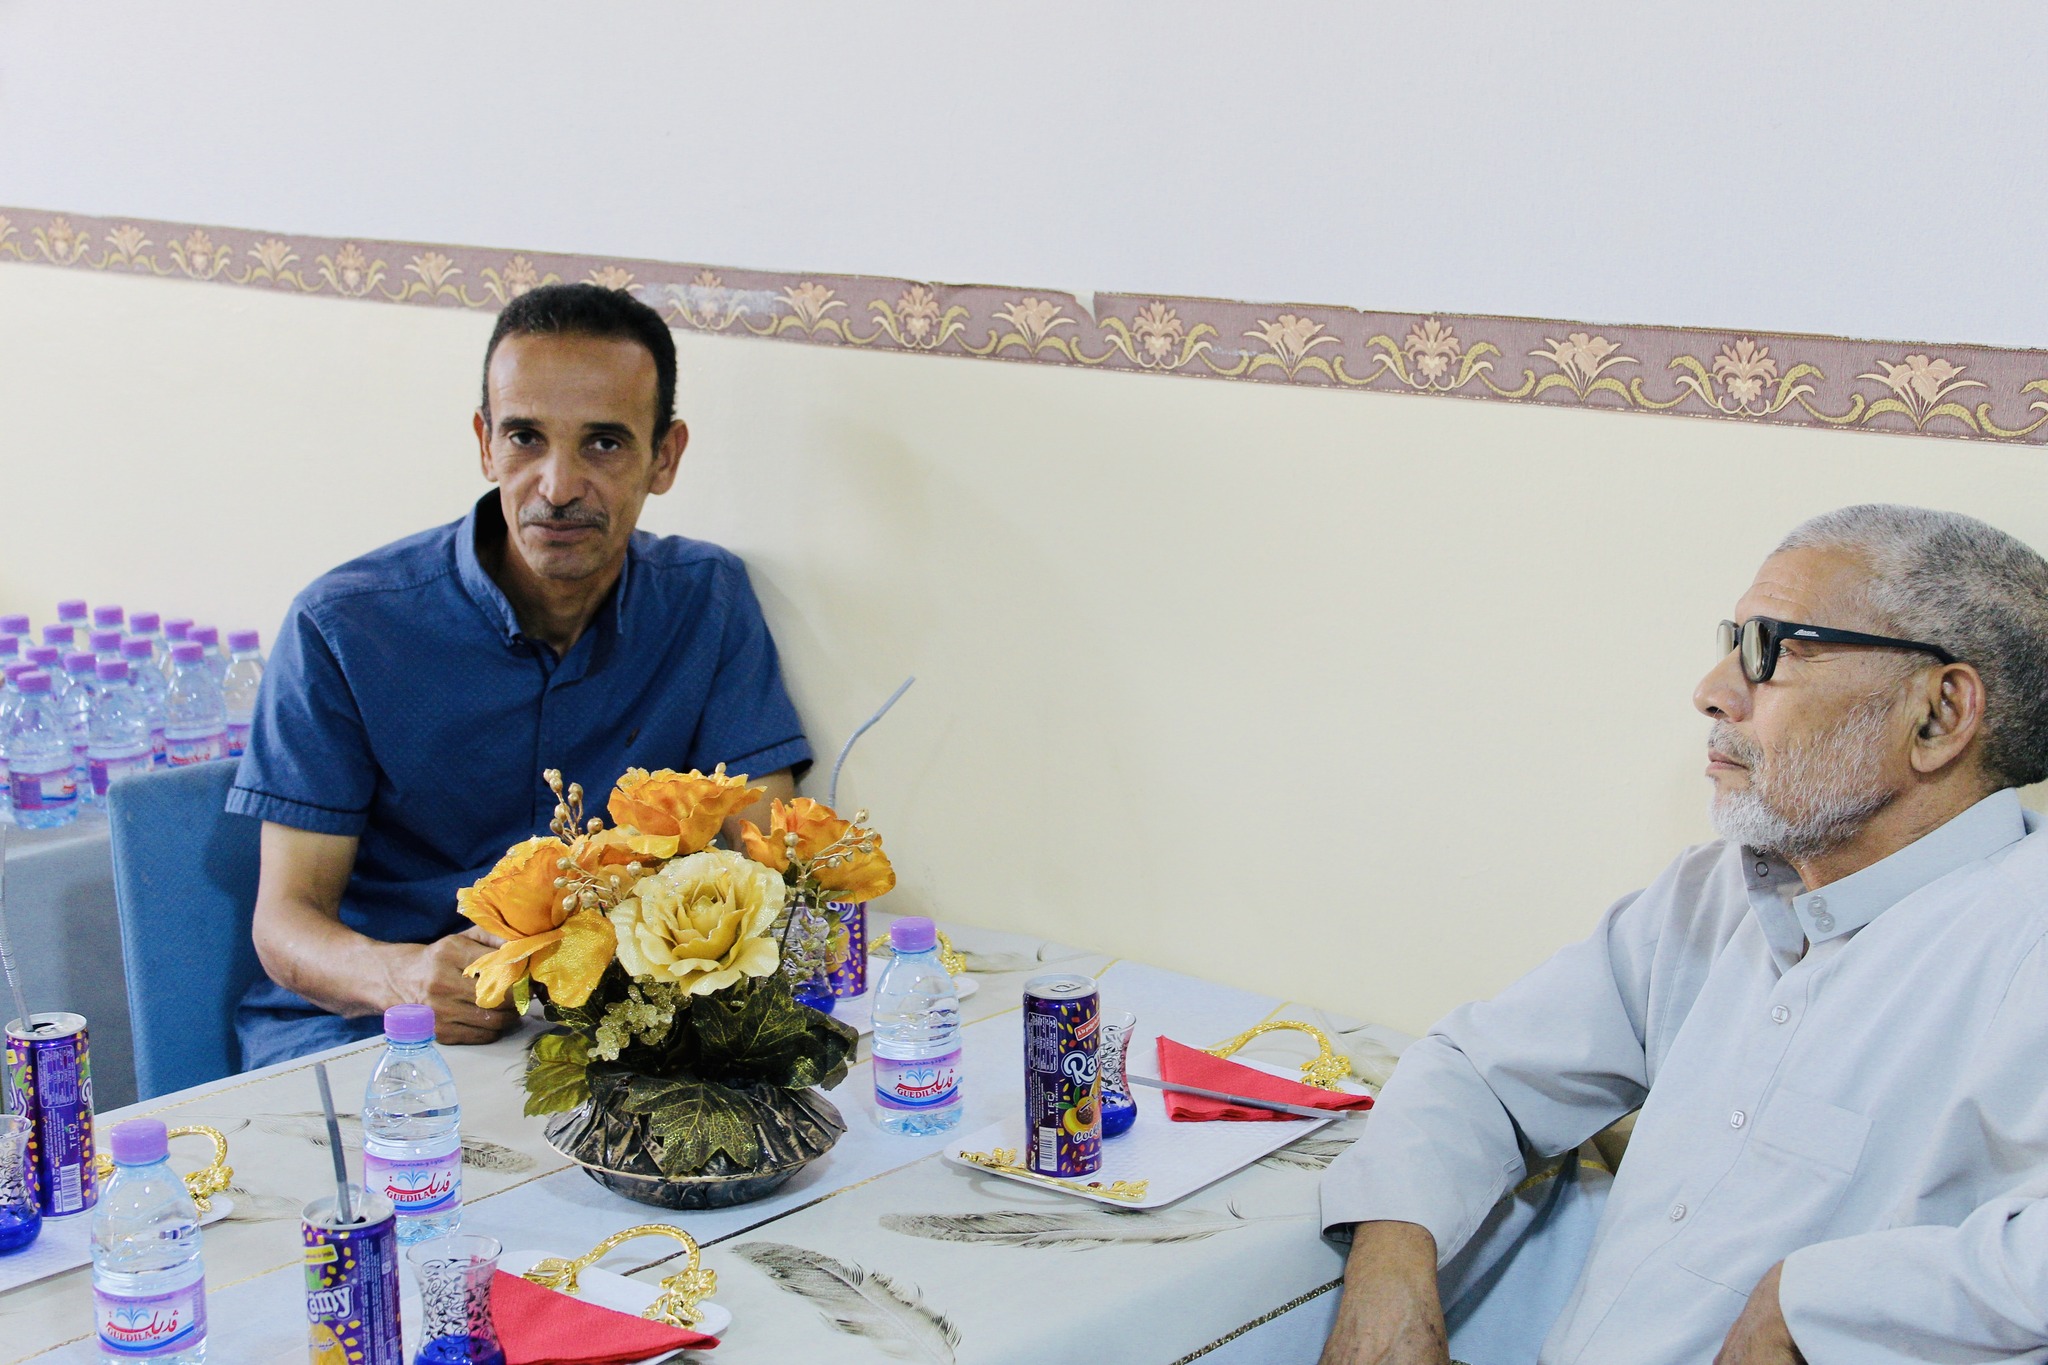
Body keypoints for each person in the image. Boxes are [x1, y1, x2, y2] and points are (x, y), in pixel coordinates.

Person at [1319, 505, 2048, 1365]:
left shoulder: (2023, 942)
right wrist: (1390, 1272)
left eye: (1770, 651)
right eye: (1731, 641)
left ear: (1939, 713)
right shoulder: (1714, 893)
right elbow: (1480, 1070)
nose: (1712, 690)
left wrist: (1808, 1303)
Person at [228, 283, 810, 1069]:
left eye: (604, 444)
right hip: (372, 1031)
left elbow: (769, 869)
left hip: (604, 1035)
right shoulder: (344, 626)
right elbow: (284, 923)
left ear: (664, 457)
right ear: (484, 443)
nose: (558, 486)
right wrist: (404, 978)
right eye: (525, 437)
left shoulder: (706, 602)